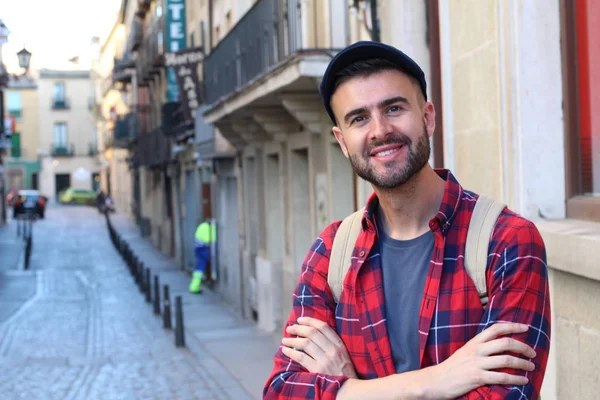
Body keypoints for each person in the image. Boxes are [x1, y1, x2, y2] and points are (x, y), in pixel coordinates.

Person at [263, 41, 550, 399]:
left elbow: (507, 396)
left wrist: (351, 388)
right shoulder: (332, 252)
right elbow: (282, 390)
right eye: (359, 118)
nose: (380, 130)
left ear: (427, 117)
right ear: (342, 140)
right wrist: (435, 382)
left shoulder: (506, 241)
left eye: (394, 108)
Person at [189, 219, 216, 293]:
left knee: (199, 268)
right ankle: (195, 287)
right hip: (203, 249)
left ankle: (194, 286)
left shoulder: (201, 226)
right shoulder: (207, 228)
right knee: (203, 266)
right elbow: (209, 240)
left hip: (198, 249)